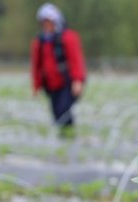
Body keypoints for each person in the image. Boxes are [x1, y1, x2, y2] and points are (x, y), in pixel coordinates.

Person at [30, 2, 86, 136]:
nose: (47, 25)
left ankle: (69, 134)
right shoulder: (40, 42)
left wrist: (78, 80)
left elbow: (76, 60)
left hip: (67, 82)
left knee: (63, 109)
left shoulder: (68, 38)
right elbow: (36, 65)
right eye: (44, 23)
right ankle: (64, 135)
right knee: (56, 113)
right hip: (51, 85)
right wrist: (36, 85)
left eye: (49, 22)